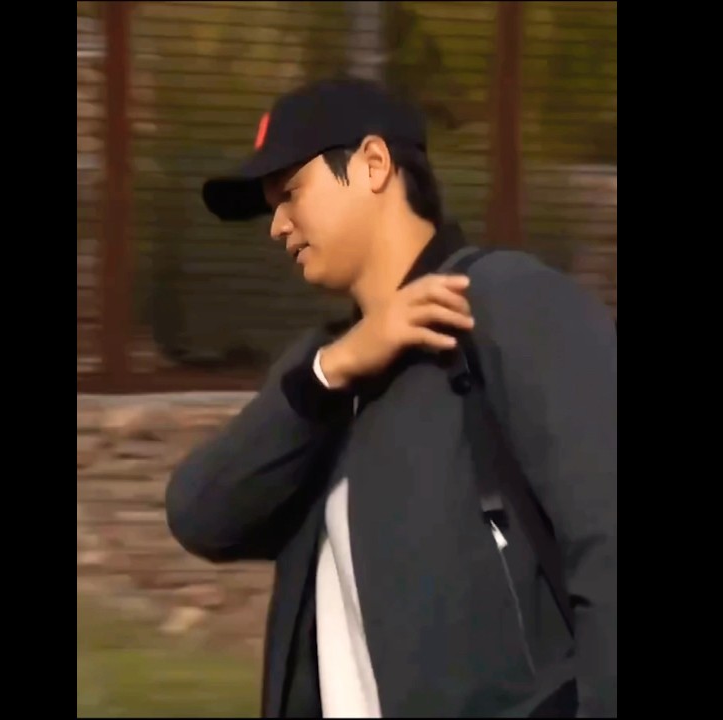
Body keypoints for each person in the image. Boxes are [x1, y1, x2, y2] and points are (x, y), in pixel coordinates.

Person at [166, 77, 617, 718]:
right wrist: (332, 370)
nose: (277, 226)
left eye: (290, 193)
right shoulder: (324, 371)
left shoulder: (506, 304)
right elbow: (201, 515)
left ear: (374, 164)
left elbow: (607, 539)